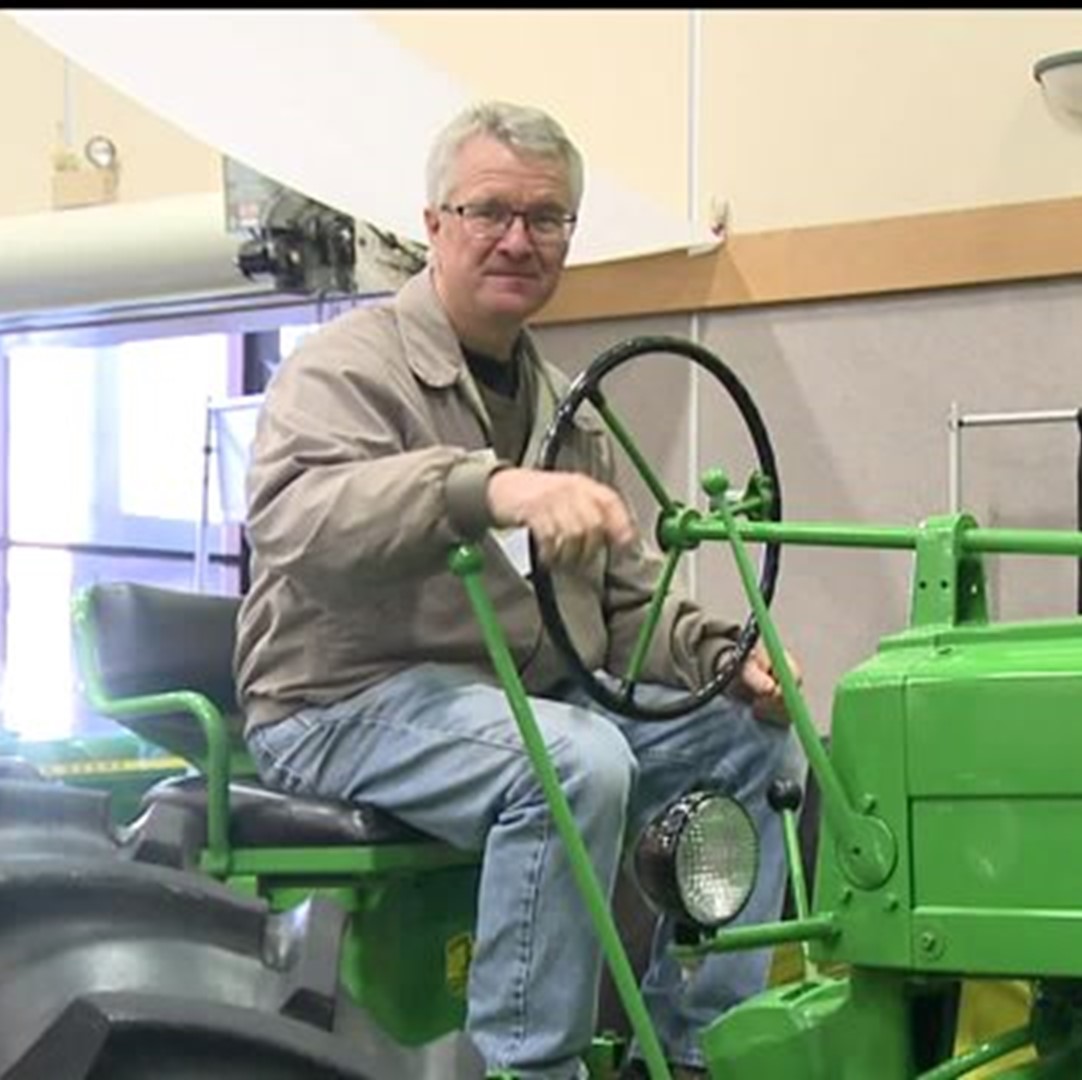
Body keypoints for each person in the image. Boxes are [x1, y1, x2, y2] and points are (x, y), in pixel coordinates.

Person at [234, 100, 804, 1080]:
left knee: (744, 730)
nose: (517, 239)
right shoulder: (348, 368)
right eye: (490, 210)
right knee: (576, 759)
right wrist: (485, 487)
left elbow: (617, 606)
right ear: (433, 224)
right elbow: (297, 518)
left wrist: (719, 654)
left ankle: (699, 1049)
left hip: (509, 701)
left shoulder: (565, 406)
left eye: (546, 220)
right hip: (339, 702)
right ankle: (529, 1069)